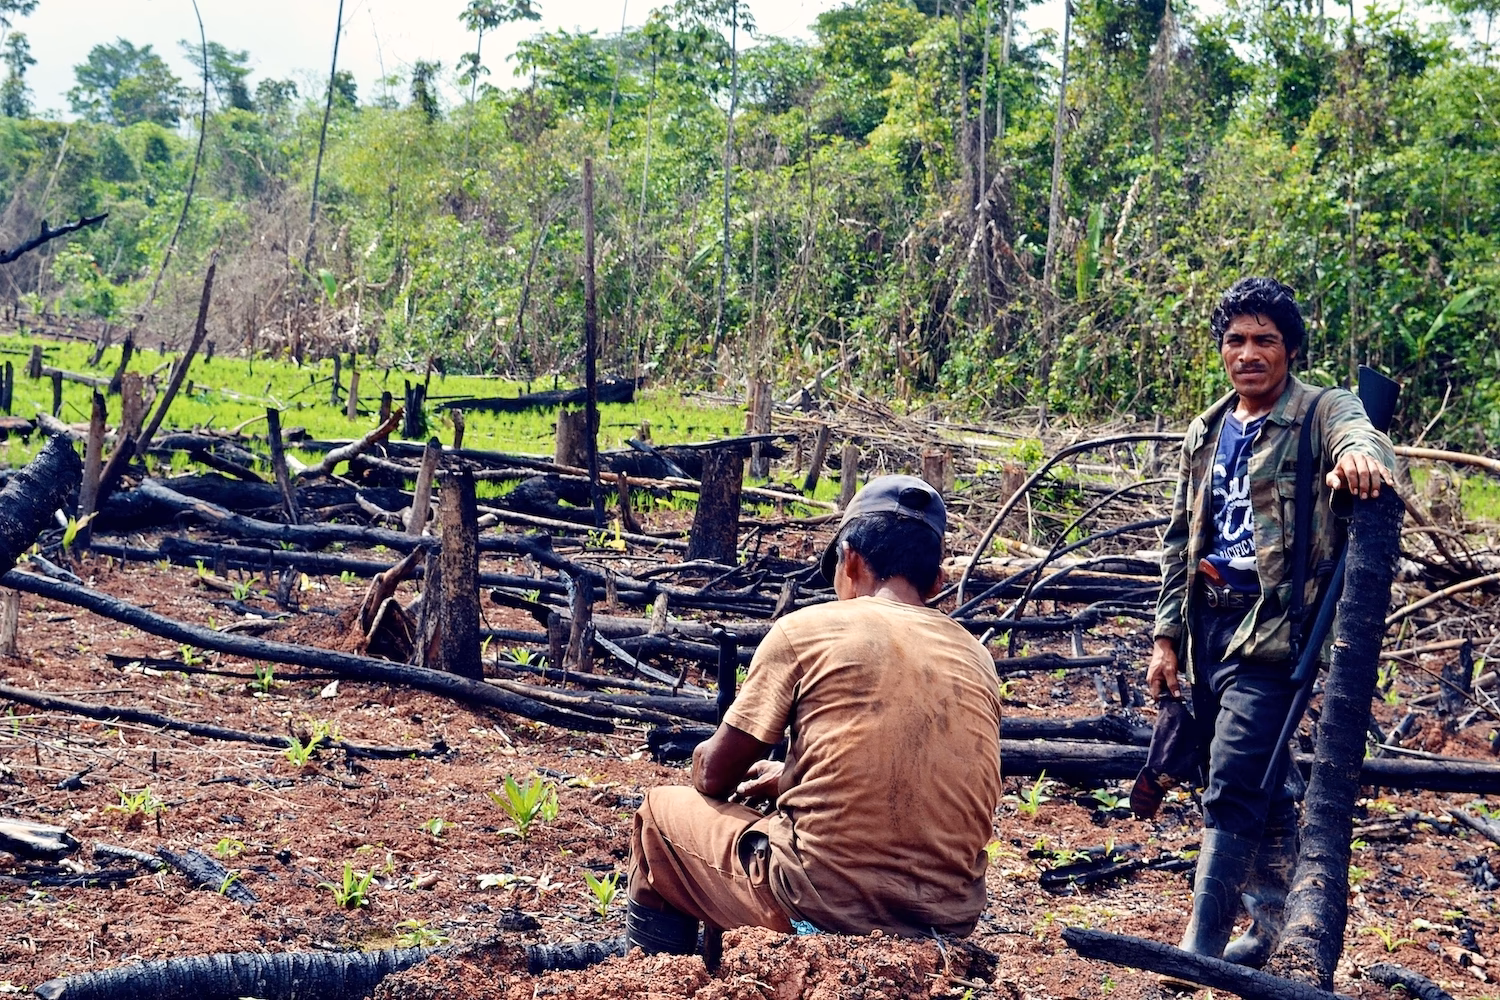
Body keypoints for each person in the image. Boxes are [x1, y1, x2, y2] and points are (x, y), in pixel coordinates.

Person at [625, 475, 1003, 953]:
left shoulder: (807, 630)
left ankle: (654, 977)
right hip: (946, 920)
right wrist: (792, 777)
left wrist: (705, 757)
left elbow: (714, 776)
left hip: (818, 904)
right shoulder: (977, 658)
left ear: (850, 560)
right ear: (936, 580)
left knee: (657, 816)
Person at [1146, 276, 1395, 967]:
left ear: (1289, 347)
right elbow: (1177, 539)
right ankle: (1269, 922)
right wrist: (1166, 636)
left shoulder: (1318, 411)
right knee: (1247, 774)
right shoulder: (1208, 427)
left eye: (1265, 340)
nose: (1248, 353)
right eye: (1236, 340)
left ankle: (1200, 948)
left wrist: (1358, 458)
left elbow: (1361, 433)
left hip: (1273, 632)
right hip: (1206, 628)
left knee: (1233, 780)